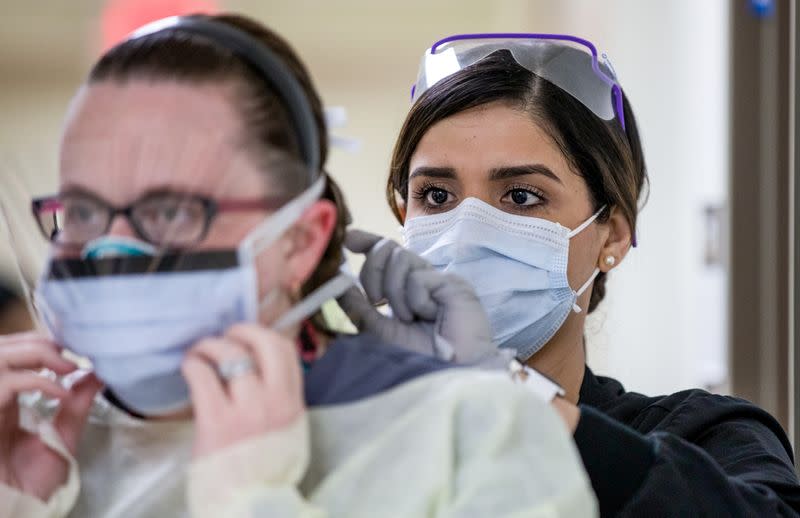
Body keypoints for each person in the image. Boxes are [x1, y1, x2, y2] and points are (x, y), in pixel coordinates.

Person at [0, 18, 597, 518]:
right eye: (81, 211)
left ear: (299, 242)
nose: (111, 254)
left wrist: (255, 502)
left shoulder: (475, 434)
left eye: (171, 210)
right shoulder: (36, 444)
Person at [370, 34, 800, 516]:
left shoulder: (698, 436)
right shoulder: (354, 443)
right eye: (436, 196)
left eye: (520, 196)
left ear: (612, 236)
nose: (466, 234)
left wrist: (512, 397)